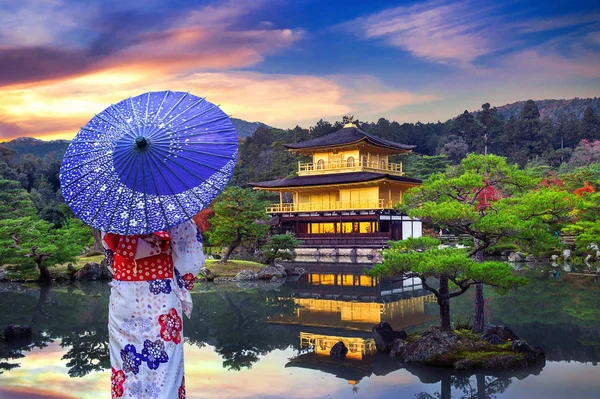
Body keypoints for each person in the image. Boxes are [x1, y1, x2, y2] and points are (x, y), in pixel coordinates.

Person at [102, 220, 204, 399]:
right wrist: (180, 282)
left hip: (123, 294)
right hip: (161, 295)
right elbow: (190, 258)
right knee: (165, 367)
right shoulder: (172, 210)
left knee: (126, 365)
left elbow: (110, 257)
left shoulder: (113, 211)